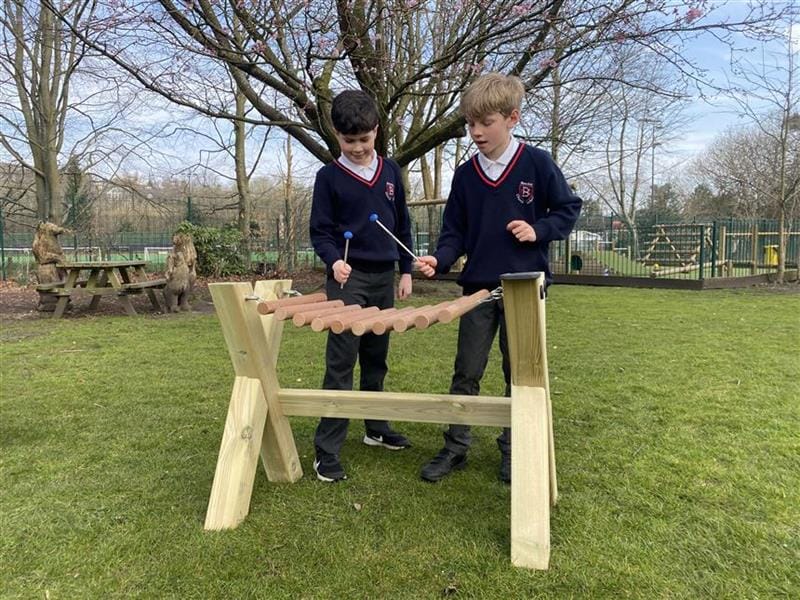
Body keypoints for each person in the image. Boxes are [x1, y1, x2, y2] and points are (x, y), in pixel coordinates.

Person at [416, 73, 582, 483]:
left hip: (526, 287)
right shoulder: (466, 175)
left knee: (520, 373)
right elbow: (454, 232)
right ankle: (456, 447)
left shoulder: (537, 163)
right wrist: (439, 259)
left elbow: (567, 208)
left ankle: (515, 449)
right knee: (466, 371)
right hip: (477, 291)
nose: (475, 132)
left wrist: (538, 230)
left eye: (485, 123)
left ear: (512, 118)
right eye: (470, 124)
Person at [309, 90, 414, 482]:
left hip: (383, 277)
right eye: (348, 141)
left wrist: (405, 270)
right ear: (336, 134)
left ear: (376, 131)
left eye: (364, 140)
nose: (357, 148)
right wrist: (334, 260)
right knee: (341, 363)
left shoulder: (391, 172)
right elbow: (320, 232)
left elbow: (402, 225)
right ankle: (327, 449)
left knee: (376, 356)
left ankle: (375, 427)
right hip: (347, 278)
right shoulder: (328, 177)